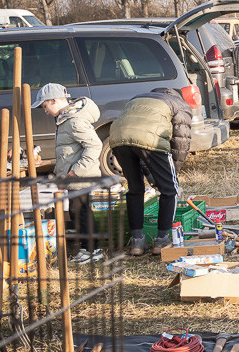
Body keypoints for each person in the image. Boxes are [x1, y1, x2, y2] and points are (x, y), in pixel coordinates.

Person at [109, 89, 192, 255]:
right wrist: (171, 174)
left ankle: (137, 242)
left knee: (135, 189)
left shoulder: (138, 97)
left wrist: (153, 174)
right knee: (170, 190)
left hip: (118, 137)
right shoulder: (180, 105)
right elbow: (180, 142)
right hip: (150, 139)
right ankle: (162, 240)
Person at [31, 83, 103, 262]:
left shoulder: (73, 121)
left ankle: (92, 250)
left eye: (45, 106)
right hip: (74, 177)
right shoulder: (64, 119)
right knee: (78, 210)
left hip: (81, 176)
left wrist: (76, 170)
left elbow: (95, 145)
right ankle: (89, 248)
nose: (45, 111)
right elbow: (67, 151)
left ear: (54, 101)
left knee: (80, 211)